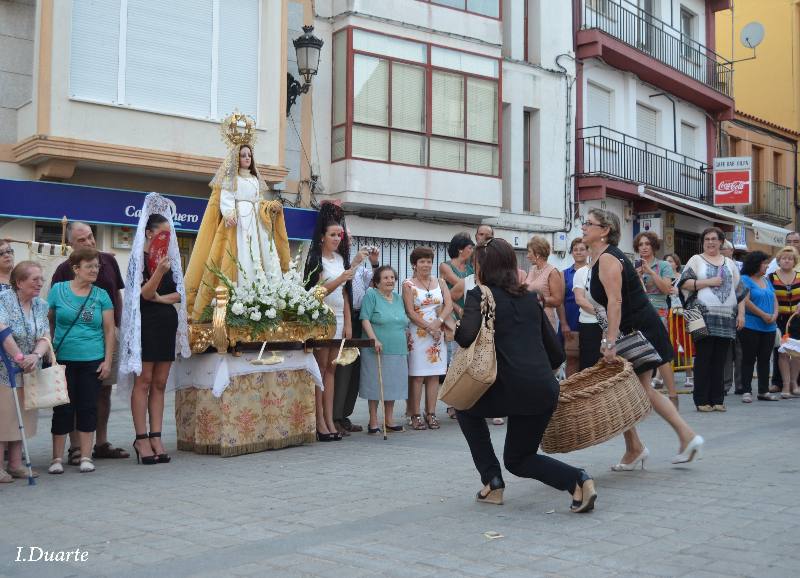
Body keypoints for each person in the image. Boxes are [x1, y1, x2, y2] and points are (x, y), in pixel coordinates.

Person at [454, 238, 597, 513]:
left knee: (463, 406)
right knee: (519, 459)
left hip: (506, 389)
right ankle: (578, 480)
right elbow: (556, 354)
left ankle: (492, 482)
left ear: (484, 267)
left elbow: (465, 337)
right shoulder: (532, 298)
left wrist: (461, 325)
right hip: (543, 390)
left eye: (476, 265)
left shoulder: (480, 295)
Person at [583, 208, 703, 468]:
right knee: (624, 388)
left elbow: (616, 301)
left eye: (589, 223)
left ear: (605, 231)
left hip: (637, 330)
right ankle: (637, 447)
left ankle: (685, 436)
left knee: (639, 389)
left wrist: (611, 341)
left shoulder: (607, 258)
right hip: (629, 329)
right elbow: (607, 306)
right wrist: (606, 337)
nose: (584, 226)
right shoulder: (597, 257)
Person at [184, 114, 290, 321]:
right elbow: (226, 198)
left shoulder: (254, 179)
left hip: (257, 222)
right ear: (236, 158)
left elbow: (259, 201)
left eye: (249, 155)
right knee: (243, 253)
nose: (247, 158)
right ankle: (242, 291)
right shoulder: (231, 179)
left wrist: (270, 207)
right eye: (243, 155)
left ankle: (265, 294)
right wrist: (230, 214)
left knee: (260, 254)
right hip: (240, 221)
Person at [118, 193, 191, 465]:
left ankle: (157, 436)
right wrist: (158, 276)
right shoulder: (139, 259)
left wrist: (163, 295)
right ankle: (141, 438)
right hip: (145, 325)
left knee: (160, 383)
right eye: (163, 234)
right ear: (149, 233)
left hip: (164, 323)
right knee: (144, 381)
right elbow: (143, 295)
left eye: (169, 235)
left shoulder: (169, 260)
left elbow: (179, 295)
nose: (167, 239)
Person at [51, 222, 129, 464]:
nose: (89, 242)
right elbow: (52, 315)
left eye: (90, 237)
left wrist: (120, 327)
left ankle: (101, 442)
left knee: (102, 390)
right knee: (72, 396)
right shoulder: (63, 270)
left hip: (107, 335)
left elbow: (117, 294)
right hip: (72, 345)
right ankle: (75, 447)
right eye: (82, 240)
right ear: (72, 246)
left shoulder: (109, 261)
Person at [47, 248, 115, 473]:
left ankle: (86, 457)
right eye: (90, 266)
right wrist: (49, 351)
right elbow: (49, 323)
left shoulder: (102, 294)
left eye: (97, 266)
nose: (95, 270)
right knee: (63, 409)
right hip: (63, 360)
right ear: (75, 269)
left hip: (92, 360)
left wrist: (107, 361)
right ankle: (57, 458)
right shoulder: (57, 290)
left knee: (87, 407)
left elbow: (108, 331)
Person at [677, 227, 748, 413]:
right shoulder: (696, 260)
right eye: (707, 239)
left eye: (714, 239)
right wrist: (707, 282)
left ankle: (717, 399)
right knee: (704, 358)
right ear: (703, 242)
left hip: (726, 318)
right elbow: (683, 283)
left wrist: (741, 314)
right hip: (702, 316)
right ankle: (701, 400)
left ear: (721, 242)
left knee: (721, 359)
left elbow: (739, 292)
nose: (710, 242)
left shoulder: (730, 263)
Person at [304, 202, 353, 442]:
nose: (336, 238)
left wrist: (349, 323)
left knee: (332, 368)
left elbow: (345, 293)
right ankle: (319, 422)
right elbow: (318, 290)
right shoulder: (315, 258)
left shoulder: (341, 258)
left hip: (340, 316)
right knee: (321, 368)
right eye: (332, 235)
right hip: (322, 318)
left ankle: (330, 419)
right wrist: (342, 277)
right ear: (322, 236)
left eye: (339, 235)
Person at [0, 261, 50, 481]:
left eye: (41, 279)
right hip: (5, 370)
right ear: (19, 282)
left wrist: (36, 355)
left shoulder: (41, 305)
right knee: (4, 418)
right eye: (35, 279)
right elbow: (1, 331)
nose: (40, 283)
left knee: (23, 416)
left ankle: (15, 464)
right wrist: (20, 358)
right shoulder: (3, 300)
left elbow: (46, 335)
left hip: (31, 370)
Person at [332, 229, 379, 436]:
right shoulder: (335, 261)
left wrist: (375, 263)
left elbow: (375, 283)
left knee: (354, 371)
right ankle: (333, 417)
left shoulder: (357, 262)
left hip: (361, 316)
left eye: (350, 238)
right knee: (342, 369)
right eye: (345, 238)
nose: (349, 241)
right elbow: (338, 283)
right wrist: (356, 263)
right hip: (343, 317)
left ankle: (344, 415)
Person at [402, 246, 453, 431]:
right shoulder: (408, 284)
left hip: (438, 334)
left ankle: (430, 413)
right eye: (422, 262)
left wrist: (438, 323)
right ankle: (414, 413)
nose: (426, 265)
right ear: (414, 265)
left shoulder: (440, 281)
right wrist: (429, 327)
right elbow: (409, 311)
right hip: (418, 333)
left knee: (434, 375)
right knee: (417, 376)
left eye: (429, 262)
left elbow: (448, 305)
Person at [359, 266, 408, 434]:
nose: (390, 281)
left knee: (392, 386)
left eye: (392, 277)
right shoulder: (371, 295)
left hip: (397, 347)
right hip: (376, 347)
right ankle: (373, 421)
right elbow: (365, 318)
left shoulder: (398, 298)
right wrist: (373, 339)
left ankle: (389, 420)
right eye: (386, 278)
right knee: (375, 385)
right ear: (377, 281)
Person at [633, 231, 679, 408]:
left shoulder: (663, 266)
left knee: (661, 353)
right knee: (643, 353)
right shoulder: (633, 266)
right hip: (640, 311)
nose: (644, 247)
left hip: (659, 310)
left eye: (647, 244)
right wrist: (637, 277)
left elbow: (667, 289)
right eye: (641, 244)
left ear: (654, 246)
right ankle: (644, 395)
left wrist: (651, 272)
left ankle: (673, 395)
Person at [738, 251, 779, 403]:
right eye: (764, 263)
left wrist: (774, 315)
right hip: (751, 324)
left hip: (769, 325)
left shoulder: (766, 280)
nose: (767, 266)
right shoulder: (745, 279)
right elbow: (746, 301)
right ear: (756, 264)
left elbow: (774, 299)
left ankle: (763, 390)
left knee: (765, 359)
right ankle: (746, 390)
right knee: (748, 358)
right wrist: (763, 314)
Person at [769, 246, 800, 398]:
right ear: (778, 261)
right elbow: (769, 297)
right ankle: (785, 385)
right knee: (781, 353)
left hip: (797, 319)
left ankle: (794, 383)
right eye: (784, 258)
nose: (787, 261)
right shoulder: (771, 277)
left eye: (790, 259)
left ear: (795, 261)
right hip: (779, 320)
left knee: (796, 353)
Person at [556, 238, 589, 377]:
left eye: (582, 249)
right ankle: (571, 391)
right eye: (575, 250)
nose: (578, 252)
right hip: (570, 316)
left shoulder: (593, 270)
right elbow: (560, 300)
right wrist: (563, 323)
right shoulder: (564, 273)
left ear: (587, 251)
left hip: (589, 314)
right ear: (571, 252)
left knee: (589, 356)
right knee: (571, 356)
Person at [665, 253, 694, 388]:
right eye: (666, 262)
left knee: (685, 346)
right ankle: (662, 377)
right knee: (669, 345)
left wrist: (679, 292)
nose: (668, 264)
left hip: (683, 314)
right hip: (670, 314)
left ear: (676, 263)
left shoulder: (682, 278)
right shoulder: (664, 279)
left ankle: (689, 376)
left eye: (670, 261)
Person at [572, 248, 602, 372]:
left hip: (610, 326)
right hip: (589, 324)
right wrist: (603, 314)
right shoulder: (581, 272)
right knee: (589, 366)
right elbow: (580, 300)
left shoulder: (611, 272)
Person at [525, 237, 563, 330]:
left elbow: (558, 300)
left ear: (538, 253)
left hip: (545, 319)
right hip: (529, 318)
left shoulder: (552, 271)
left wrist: (540, 297)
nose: (527, 256)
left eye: (529, 252)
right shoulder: (530, 270)